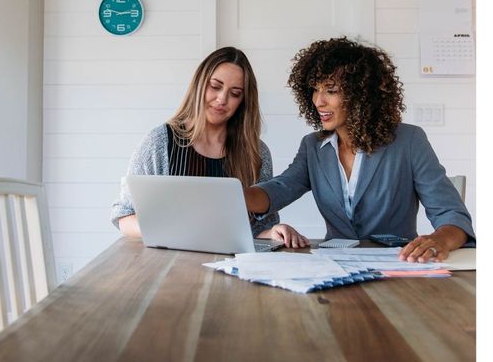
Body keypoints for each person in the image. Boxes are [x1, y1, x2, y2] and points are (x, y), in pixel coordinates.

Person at [245, 37, 475, 262]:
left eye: (331, 90)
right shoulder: (313, 146)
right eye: (315, 89)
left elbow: (451, 215)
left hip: (398, 267)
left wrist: (439, 240)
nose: (318, 101)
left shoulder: (409, 141)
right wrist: (235, 196)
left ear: (362, 94)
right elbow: (280, 189)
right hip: (335, 267)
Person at [111, 46, 303, 243]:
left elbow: (257, 230)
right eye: (215, 86)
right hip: (173, 263)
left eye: (235, 93)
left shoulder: (256, 152)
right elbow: (124, 216)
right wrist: (173, 231)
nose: (222, 99)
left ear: (243, 101)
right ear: (200, 84)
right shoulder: (160, 142)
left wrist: (273, 232)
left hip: (233, 265)